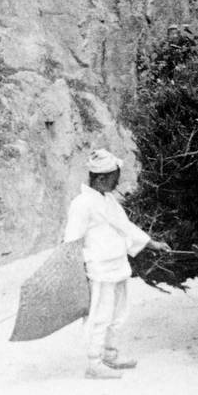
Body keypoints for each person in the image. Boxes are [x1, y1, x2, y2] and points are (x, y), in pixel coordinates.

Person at [63, 149, 169, 379]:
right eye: (114, 179)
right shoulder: (81, 204)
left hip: (118, 265)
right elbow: (71, 241)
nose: (117, 183)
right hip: (98, 269)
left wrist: (153, 244)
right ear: (100, 179)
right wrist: (76, 272)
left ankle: (110, 354)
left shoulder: (108, 199)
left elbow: (126, 227)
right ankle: (94, 362)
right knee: (99, 316)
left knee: (118, 313)